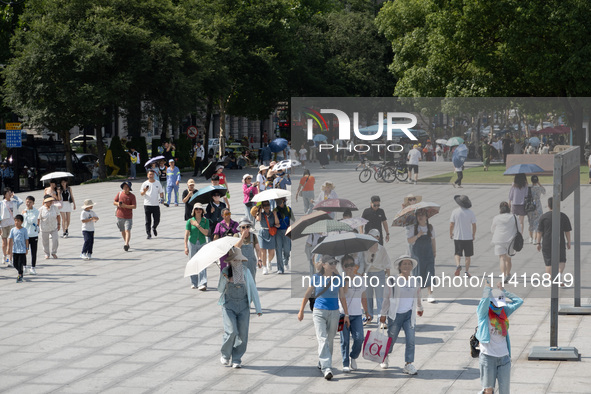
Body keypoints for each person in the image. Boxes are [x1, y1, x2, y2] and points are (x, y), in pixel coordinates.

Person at [297, 255, 350, 380]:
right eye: (331, 263)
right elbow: (307, 294)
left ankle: (322, 363)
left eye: (335, 263)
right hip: (319, 312)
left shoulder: (338, 279)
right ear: (324, 264)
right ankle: (327, 368)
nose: (333, 265)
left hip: (334, 312)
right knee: (322, 339)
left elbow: (342, 297)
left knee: (330, 340)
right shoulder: (316, 278)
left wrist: (346, 314)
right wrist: (301, 311)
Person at [218, 246, 262, 369]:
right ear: (230, 261)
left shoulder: (246, 272)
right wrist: (225, 280)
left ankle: (237, 358)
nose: (236, 262)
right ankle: (225, 355)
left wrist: (258, 308)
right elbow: (220, 290)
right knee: (231, 331)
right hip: (229, 305)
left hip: (243, 306)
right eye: (234, 260)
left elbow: (253, 289)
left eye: (238, 260)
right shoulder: (225, 272)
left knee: (242, 334)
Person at [476, 280, 523, 394]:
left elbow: (519, 301)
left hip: (504, 358)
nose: (500, 307)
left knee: (505, 391)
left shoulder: (503, 312)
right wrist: (487, 290)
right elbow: (484, 303)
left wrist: (504, 291)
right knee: (488, 391)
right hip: (488, 357)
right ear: (491, 303)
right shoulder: (483, 314)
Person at [379, 255, 423, 373]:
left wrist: (420, 307)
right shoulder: (392, 280)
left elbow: (418, 294)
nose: (407, 266)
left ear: (412, 266)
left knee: (411, 339)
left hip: (409, 315)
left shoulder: (415, 280)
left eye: (409, 264)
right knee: (391, 339)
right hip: (395, 315)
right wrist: (383, 314)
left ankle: (408, 364)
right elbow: (386, 298)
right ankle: (385, 356)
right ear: (399, 266)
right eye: (404, 264)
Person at [339, 254, 370, 372]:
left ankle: (353, 356)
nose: (349, 267)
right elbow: (344, 292)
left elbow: (363, 296)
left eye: (351, 264)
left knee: (359, 338)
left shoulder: (360, 279)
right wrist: (347, 278)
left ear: (355, 266)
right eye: (346, 265)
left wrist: (367, 311)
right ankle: (345, 363)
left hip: (357, 315)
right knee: (345, 340)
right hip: (342, 314)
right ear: (342, 266)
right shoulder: (340, 279)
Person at [536, 197, 572, 280]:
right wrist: (568, 242)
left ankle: (551, 280)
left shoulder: (544, 217)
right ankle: (559, 275)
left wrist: (538, 243)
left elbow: (539, 231)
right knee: (562, 260)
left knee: (548, 262)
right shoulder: (563, 216)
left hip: (547, 242)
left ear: (548, 205)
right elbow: (567, 231)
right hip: (560, 241)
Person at [362, 228, 391, 327]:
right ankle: (368, 316)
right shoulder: (365, 249)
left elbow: (387, 263)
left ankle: (381, 319)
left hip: (379, 274)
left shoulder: (381, 249)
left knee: (380, 298)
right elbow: (362, 263)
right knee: (368, 296)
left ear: (378, 237)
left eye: (375, 237)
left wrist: (389, 277)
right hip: (368, 274)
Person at [407, 209, 437, 302]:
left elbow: (433, 240)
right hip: (417, 254)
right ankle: (417, 294)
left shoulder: (430, 228)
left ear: (426, 217)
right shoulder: (413, 228)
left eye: (422, 215)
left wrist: (434, 251)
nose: (420, 217)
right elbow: (409, 241)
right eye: (418, 215)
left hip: (428, 253)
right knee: (418, 273)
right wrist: (418, 235)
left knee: (430, 273)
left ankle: (430, 294)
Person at [450, 195, 477, 277]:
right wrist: (473, 234)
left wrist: (451, 233)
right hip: (468, 237)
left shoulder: (455, 212)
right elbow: (474, 225)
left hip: (458, 236)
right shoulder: (471, 212)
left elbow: (451, 224)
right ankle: (466, 271)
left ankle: (458, 265)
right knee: (468, 255)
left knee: (457, 253)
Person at [185, 203, 210, 290]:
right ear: (194, 211)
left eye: (200, 209)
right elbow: (187, 234)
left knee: (202, 262)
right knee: (192, 262)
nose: (198, 210)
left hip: (202, 242)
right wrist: (185, 246)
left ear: (202, 211)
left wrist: (197, 225)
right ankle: (194, 282)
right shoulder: (190, 221)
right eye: (196, 209)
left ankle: (202, 283)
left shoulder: (206, 221)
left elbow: (206, 233)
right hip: (192, 242)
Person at [490, 202, 518, 281]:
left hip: (499, 240)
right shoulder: (514, 217)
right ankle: (508, 273)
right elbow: (518, 229)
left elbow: (492, 229)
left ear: (500, 209)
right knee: (509, 259)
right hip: (510, 241)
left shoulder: (496, 218)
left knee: (502, 258)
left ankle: (503, 275)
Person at [0, 187, 23, 266]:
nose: (9, 194)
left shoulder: (14, 202)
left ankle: (10, 259)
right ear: (4, 194)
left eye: (10, 192)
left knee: (11, 243)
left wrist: (15, 196)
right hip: (3, 225)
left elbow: (21, 201)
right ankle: (5, 257)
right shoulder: (1, 203)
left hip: (12, 224)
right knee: (4, 243)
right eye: (8, 193)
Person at [256, 201, 279, 275]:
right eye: (265, 205)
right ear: (262, 206)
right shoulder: (261, 214)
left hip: (271, 233)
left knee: (272, 253)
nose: (267, 206)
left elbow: (277, 223)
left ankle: (269, 261)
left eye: (268, 205)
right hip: (262, 233)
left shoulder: (273, 213)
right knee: (263, 251)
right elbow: (258, 219)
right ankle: (264, 267)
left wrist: (275, 215)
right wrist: (259, 210)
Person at [140, 169, 164, 239]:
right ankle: (148, 233)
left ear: (154, 175)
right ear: (147, 175)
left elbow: (161, 192)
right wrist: (145, 190)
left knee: (157, 219)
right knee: (148, 220)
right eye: (150, 174)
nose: (151, 176)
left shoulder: (157, 183)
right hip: (147, 204)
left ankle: (154, 227)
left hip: (156, 204)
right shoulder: (145, 183)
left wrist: (162, 198)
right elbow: (141, 194)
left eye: (152, 174)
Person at [113, 181, 137, 252]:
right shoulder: (119, 194)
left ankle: (126, 244)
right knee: (122, 230)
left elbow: (134, 206)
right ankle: (126, 242)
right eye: (124, 187)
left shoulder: (132, 196)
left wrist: (125, 206)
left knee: (127, 230)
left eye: (127, 187)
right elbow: (114, 202)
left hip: (128, 216)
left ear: (129, 188)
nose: (125, 189)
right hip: (119, 215)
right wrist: (118, 204)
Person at [274, 197, 294, 274]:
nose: (278, 203)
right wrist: (275, 215)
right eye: (276, 201)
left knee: (287, 250)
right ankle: (280, 268)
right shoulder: (275, 210)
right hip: (278, 232)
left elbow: (292, 220)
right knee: (278, 250)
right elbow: (275, 223)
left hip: (287, 231)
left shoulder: (288, 209)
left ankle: (286, 261)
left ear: (283, 201)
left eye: (279, 201)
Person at [21, 196, 39, 275]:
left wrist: (25, 215)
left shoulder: (36, 211)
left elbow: (31, 221)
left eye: (30, 202)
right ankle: (24, 267)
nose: (28, 203)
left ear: (33, 203)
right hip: (25, 234)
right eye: (27, 202)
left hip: (33, 234)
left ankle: (33, 268)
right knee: (24, 251)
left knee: (33, 252)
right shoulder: (24, 210)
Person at [8, 214, 28, 283]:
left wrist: (27, 248)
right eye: (15, 221)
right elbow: (10, 239)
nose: (16, 222)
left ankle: (19, 275)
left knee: (20, 263)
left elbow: (26, 240)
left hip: (22, 250)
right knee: (14, 263)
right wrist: (8, 248)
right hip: (15, 250)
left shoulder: (24, 230)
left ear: (22, 222)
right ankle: (21, 271)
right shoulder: (12, 230)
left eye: (18, 221)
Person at [526, 175, 546, 244]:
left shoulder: (529, 188)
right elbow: (544, 191)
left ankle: (530, 238)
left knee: (531, 222)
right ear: (537, 180)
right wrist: (539, 183)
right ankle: (535, 239)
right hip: (538, 206)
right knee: (537, 223)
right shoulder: (539, 188)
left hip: (530, 206)